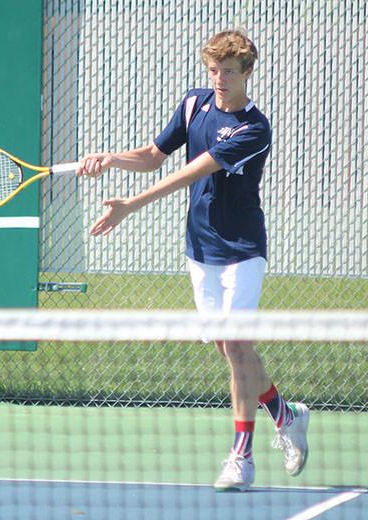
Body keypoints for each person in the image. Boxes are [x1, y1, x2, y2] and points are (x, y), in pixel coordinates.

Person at [77, 30, 309, 492]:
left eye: (228, 71)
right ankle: (286, 414)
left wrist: (130, 206)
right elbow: (152, 156)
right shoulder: (193, 104)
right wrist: (112, 159)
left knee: (238, 347)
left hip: (242, 250)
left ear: (247, 72)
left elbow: (190, 171)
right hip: (200, 250)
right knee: (228, 348)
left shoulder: (253, 129)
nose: (219, 79)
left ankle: (241, 457)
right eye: (213, 70)